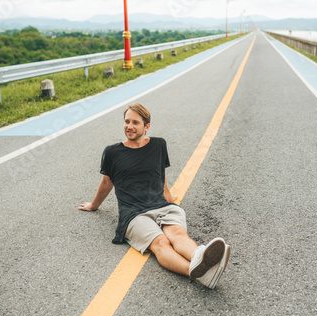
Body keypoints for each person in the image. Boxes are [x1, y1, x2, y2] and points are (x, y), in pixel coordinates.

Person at [79, 103, 230, 289]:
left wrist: (167, 196)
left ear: (146, 126)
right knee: (161, 242)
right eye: (127, 122)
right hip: (134, 214)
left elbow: (160, 173)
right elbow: (106, 183)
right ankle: (198, 272)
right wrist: (94, 205)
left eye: (135, 122)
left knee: (178, 234)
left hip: (162, 205)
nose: (129, 126)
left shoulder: (159, 145)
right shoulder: (112, 152)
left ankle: (200, 256)